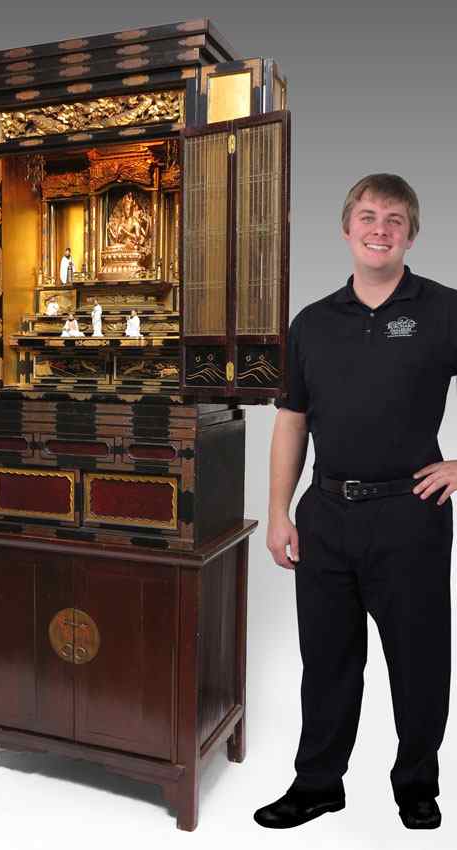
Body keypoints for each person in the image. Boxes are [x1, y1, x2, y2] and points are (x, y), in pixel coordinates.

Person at [254, 174, 457, 831]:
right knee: (328, 663)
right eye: (367, 216)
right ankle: (316, 784)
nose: (379, 228)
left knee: (419, 661)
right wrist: (280, 510)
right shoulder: (311, 324)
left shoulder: (444, 310)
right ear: (345, 230)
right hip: (325, 516)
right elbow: (291, 420)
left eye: (393, 219)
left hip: (410, 516)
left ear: (411, 234)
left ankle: (415, 785)